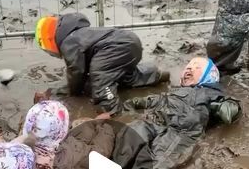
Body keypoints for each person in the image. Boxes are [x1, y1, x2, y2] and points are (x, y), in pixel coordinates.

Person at [113, 57, 241, 169]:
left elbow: (230, 104)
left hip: (183, 128)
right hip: (155, 119)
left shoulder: (210, 93)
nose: (189, 68)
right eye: (188, 66)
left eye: (197, 67)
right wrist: (136, 102)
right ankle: (112, 161)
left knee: (167, 150)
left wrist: (228, 108)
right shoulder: (175, 92)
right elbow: (158, 99)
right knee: (133, 133)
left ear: (210, 76)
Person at [34, 13, 168, 114]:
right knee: (124, 77)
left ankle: (111, 110)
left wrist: (73, 91)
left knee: (100, 75)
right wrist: (56, 92)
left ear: (50, 40)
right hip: (131, 42)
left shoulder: (69, 43)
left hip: (116, 48)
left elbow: (76, 71)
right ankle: (155, 74)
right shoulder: (79, 34)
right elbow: (83, 72)